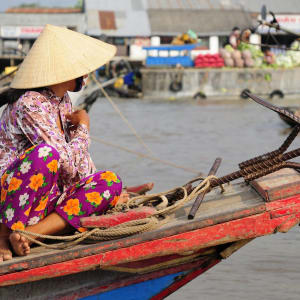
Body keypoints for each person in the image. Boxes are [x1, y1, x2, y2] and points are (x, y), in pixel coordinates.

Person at [0, 24, 129, 261]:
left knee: (111, 181)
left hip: (43, 201)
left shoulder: (63, 102)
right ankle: (4, 233)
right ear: (66, 72)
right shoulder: (30, 104)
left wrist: (105, 193)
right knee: (45, 156)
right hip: (12, 200)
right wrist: (83, 128)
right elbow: (65, 165)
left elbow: (76, 172)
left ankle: (29, 235)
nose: (86, 74)